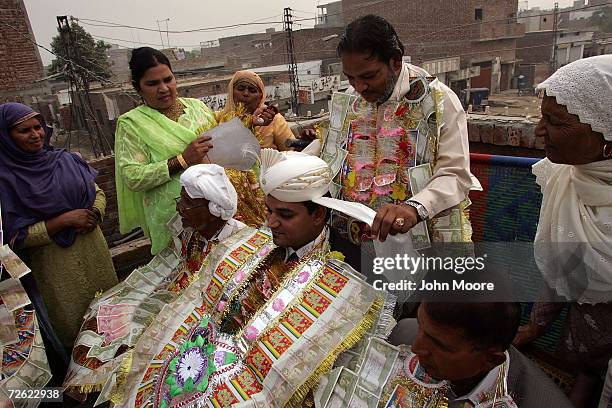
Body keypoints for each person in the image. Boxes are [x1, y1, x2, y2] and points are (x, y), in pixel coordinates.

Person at [112, 150, 392, 407]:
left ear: (318, 214)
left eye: (284, 214)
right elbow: (201, 305)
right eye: (269, 211)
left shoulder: (351, 270)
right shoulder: (252, 242)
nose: (270, 222)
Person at [63, 164, 247, 399]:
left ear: (213, 209)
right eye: (179, 201)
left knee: (138, 347)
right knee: (103, 312)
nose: (179, 208)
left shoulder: (238, 243)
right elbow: (174, 263)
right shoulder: (192, 228)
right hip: (176, 291)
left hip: (201, 312)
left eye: (187, 204)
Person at [512, 55, 612, 407]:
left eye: (555, 122)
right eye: (542, 117)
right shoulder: (566, 180)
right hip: (586, 348)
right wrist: (534, 327)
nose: (539, 130)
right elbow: (563, 264)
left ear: (608, 141)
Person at [326, 15, 480, 244]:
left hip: (422, 244)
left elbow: (455, 175)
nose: (359, 87)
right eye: (351, 78)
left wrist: (414, 208)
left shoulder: (439, 101)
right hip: (359, 242)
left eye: (369, 76)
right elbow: (331, 155)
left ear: (395, 61)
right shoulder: (350, 100)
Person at [115, 47, 265, 255]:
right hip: (174, 217)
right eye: (152, 83)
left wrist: (247, 125)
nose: (164, 88)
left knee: (229, 265)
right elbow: (132, 176)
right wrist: (182, 160)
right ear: (137, 88)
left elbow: (223, 140)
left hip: (217, 210)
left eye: (168, 79)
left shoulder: (197, 107)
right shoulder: (131, 124)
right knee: (189, 277)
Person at [0, 102, 118, 350]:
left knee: (114, 320)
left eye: (38, 127)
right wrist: (62, 221)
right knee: (77, 335)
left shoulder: (65, 160)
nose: (36, 135)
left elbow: (96, 192)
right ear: (6, 137)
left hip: (94, 252)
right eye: (24, 131)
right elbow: (13, 237)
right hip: (54, 268)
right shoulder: (7, 180)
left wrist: (94, 213)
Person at [384, 303, 573, 407]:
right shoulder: (404, 333)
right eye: (421, 325)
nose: (416, 348)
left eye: (439, 344)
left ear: (490, 359)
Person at [217, 70, 316, 151]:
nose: (246, 93)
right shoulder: (219, 118)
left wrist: (303, 143)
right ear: (232, 91)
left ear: (261, 96)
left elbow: (290, 151)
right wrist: (250, 122)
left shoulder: (274, 120)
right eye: (241, 89)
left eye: (252, 90)